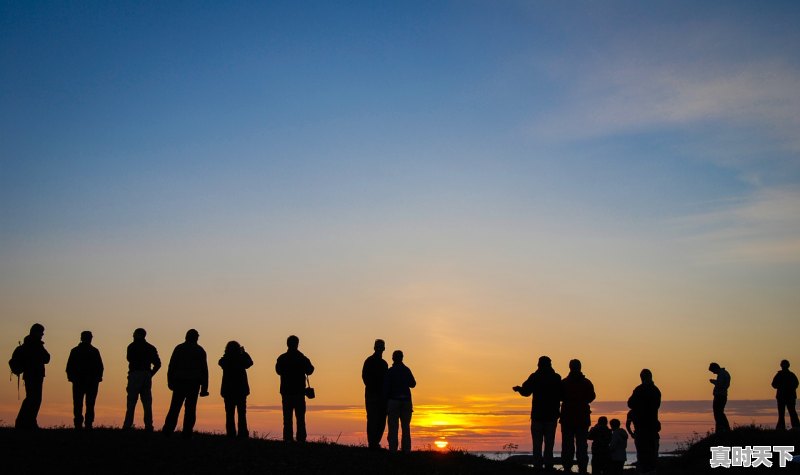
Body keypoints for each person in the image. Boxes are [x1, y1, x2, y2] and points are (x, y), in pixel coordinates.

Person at [513, 356, 562, 471]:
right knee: (549, 443)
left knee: (537, 443)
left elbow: (526, 392)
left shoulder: (535, 377)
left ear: (539, 365)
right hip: (551, 416)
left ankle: (538, 466)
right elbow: (562, 395)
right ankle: (548, 465)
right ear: (550, 365)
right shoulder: (556, 378)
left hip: (538, 416)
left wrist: (519, 389)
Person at [162, 329, 209, 438]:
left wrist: (170, 381)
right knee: (190, 409)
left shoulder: (179, 348)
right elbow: (204, 370)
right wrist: (204, 388)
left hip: (180, 382)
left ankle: (168, 430)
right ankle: (187, 432)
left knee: (175, 407)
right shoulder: (200, 350)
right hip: (193, 383)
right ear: (196, 338)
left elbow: (171, 366)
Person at [275, 335, 314, 442]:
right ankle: (301, 439)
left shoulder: (282, 358)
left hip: (286, 392)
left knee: (287, 419)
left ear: (287, 344)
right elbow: (310, 370)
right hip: (299, 392)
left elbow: (278, 371)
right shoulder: (302, 358)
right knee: (300, 418)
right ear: (297, 344)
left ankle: (288, 439)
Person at [560, 359, 596, 474]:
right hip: (582, 418)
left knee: (567, 445)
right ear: (580, 367)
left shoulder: (564, 383)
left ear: (570, 367)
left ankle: (567, 468)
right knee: (581, 446)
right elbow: (591, 397)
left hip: (567, 418)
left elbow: (559, 396)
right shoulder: (586, 383)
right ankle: (583, 469)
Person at [122, 328, 161, 431]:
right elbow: (158, 364)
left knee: (131, 402)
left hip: (135, 375)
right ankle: (149, 426)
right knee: (147, 403)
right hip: (146, 375)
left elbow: (129, 358)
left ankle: (127, 425)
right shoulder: (150, 348)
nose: (133, 335)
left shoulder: (132, 347)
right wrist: (150, 374)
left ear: (138, 335)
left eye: (134, 334)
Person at [13, 323, 50, 430]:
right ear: (37, 332)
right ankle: (27, 422)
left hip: (29, 375)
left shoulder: (28, 343)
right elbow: (47, 358)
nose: (42, 334)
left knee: (31, 398)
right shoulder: (36, 344)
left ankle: (25, 422)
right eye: (41, 332)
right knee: (34, 399)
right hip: (35, 375)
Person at [65, 331, 104, 430]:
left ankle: (79, 424)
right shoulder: (94, 351)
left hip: (79, 381)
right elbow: (100, 367)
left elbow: (69, 367)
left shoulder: (75, 351)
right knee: (90, 404)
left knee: (78, 403)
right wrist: (98, 377)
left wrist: (71, 377)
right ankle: (88, 424)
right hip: (91, 382)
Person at [627, 369, 661, 474]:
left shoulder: (639, 390)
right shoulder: (656, 390)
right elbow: (657, 406)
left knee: (642, 456)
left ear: (642, 378)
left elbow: (630, 403)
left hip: (641, 429)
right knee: (652, 455)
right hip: (652, 428)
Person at [383, 350, 416, 452]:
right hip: (406, 401)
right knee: (405, 427)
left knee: (393, 427)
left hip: (393, 401)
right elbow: (413, 384)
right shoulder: (406, 370)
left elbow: (385, 388)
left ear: (393, 358)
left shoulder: (390, 371)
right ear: (402, 358)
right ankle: (406, 450)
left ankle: (393, 449)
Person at [219, 341, 253, 438]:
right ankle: (242, 434)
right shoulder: (241, 359)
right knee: (242, 414)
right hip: (240, 390)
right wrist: (244, 353)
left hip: (228, 390)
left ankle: (231, 434)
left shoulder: (226, 360)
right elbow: (250, 362)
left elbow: (221, 362)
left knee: (229, 414)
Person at [362, 339, 388, 450]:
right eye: (378, 347)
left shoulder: (384, 364)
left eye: (381, 347)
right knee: (373, 419)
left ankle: (375, 442)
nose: (379, 349)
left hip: (381, 396)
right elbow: (365, 377)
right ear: (374, 348)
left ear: (384, 348)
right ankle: (372, 443)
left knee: (381, 419)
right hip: (372, 395)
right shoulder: (369, 361)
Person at [772, 359, 800, 430]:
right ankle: (783, 428)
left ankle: (795, 427)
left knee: (790, 412)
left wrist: (784, 387)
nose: (784, 366)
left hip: (787, 397)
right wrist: (782, 386)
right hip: (784, 397)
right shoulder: (788, 375)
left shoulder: (789, 375)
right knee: (785, 413)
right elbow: (773, 384)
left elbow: (796, 384)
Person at [708, 362, 731, 433]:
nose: (713, 373)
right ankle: (724, 429)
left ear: (715, 368)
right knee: (720, 413)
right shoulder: (724, 373)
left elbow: (721, 385)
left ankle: (721, 430)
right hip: (722, 395)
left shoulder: (722, 374)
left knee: (718, 413)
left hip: (720, 396)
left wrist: (714, 382)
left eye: (713, 371)